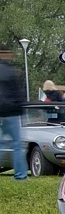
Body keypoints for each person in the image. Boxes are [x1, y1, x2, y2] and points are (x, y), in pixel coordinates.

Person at [0, 46, 28, 180]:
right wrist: (19, 107)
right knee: (17, 145)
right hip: (10, 112)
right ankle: (21, 175)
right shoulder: (10, 71)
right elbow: (16, 92)